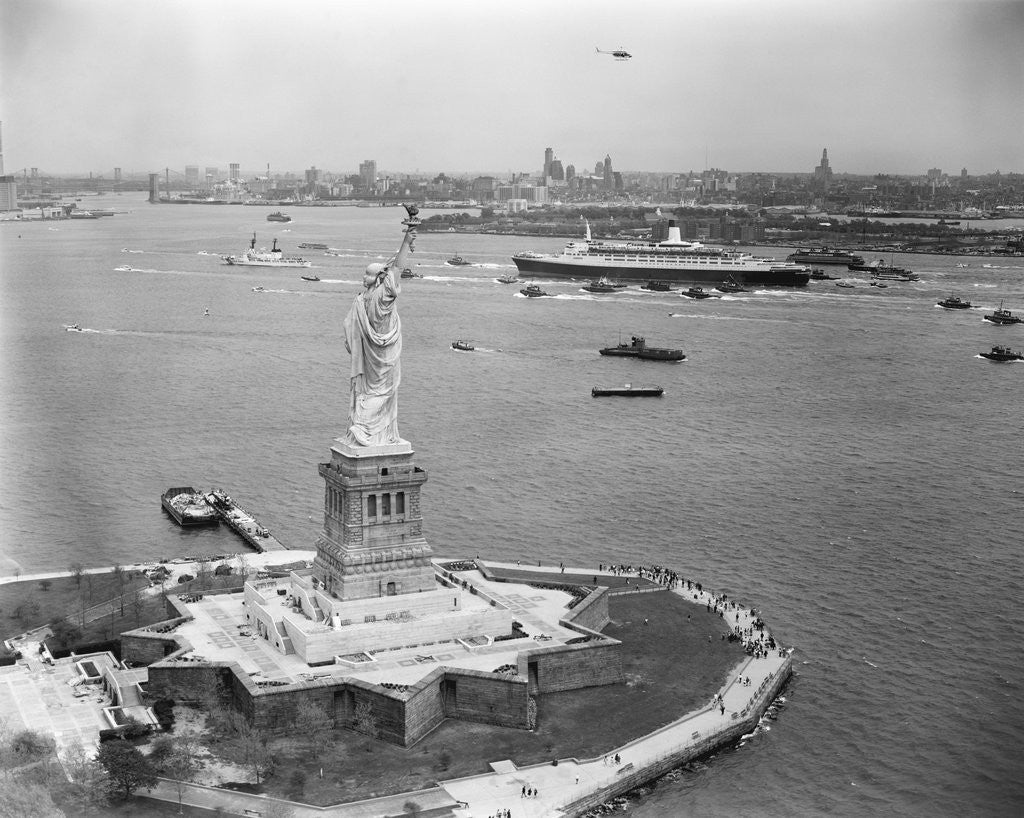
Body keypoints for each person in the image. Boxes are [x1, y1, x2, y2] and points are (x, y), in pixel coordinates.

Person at [342, 205, 419, 446]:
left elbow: (349, 334)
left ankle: (366, 427)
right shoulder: (377, 298)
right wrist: (407, 239)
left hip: (372, 355)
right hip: (384, 353)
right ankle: (368, 428)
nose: (365, 277)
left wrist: (407, 240)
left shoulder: (365, 299)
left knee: (371, 390)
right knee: (381, 391)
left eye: (371, 274)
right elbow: (397, 269)